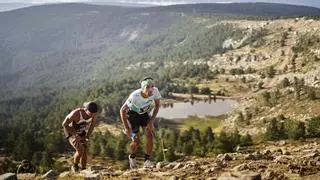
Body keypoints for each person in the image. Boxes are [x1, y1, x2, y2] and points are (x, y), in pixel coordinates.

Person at [120, 77, 161, 169]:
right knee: (136, 140)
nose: (150, 89)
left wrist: (151, 121)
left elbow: (158, 105)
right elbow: (122, 110)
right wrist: (127, 128)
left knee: (150, 135)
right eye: (147, 87)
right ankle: (132, 156)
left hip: (144, 115)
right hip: (132, 116)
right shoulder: (134, 96)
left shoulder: (155, 91)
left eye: (152, 86)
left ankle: (147, 161)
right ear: (142, 88)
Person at [62, 101, 99, 172]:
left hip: (81, 131)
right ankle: (75, 166)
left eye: (94, 113)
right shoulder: (76, 114)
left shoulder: (93, 113)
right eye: (91, 113)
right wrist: (75, 134)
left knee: (84, 149)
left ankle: (83, 169)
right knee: (80, 149)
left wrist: (87, 136)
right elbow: (64, 124)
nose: (92, 115)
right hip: (71, 131)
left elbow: (92, 125)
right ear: (86, 109)